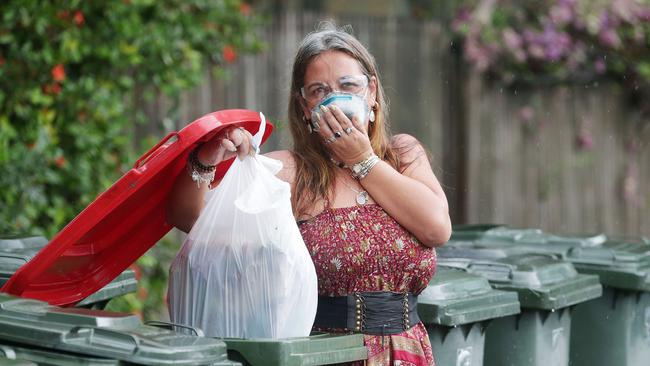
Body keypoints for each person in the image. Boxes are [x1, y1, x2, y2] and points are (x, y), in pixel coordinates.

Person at [167, 24, 451, 366]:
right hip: (327, 354)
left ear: (371, 91)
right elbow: (193, 219)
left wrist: (361, 159)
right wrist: (206, 159)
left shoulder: (403, 155)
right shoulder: (291, 172)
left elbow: (437, 228)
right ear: (304, 106)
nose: (335, 100)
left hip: (407, 351)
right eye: (319, 91)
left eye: (348, 86)